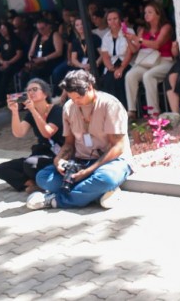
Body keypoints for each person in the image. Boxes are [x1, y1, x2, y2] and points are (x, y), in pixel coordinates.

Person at [26, 70, 133, 210]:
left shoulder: (110, 104)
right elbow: (69, 144)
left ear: (89, 87)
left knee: (107, 179)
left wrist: (88, 171)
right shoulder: (69, 107)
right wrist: (58, 161)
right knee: (43, 177)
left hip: (110, 162)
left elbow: (117, 147)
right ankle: (97, 194)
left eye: (78, 98)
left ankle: (55, 200)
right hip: (81, 161)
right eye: (72, 98)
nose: (76, 102)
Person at [0, 79, 65, 193]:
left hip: (57, 154)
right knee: (0, 169)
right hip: (39, 154)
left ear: (45, 93)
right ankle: (32, 183)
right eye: (28, 91)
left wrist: (32, 110)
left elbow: (47, 132)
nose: (31, 93)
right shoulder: (31, 114)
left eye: (35, 89)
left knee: (30, 164)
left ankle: (39, 182)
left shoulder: (57, 110)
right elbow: (19, 133)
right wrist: (15, 112)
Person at [124, 2, 175, 118]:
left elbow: (157, 44)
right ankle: (132, 110)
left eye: (150, 12)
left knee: (148, 76)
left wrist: (139, 39)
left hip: (164, 60)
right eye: (145, 12)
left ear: (158, 14)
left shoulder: (166, 27)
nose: (146, 15)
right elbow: (134, 49)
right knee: (130, 75)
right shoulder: (143, 30)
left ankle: (154, 113)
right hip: (148, 62)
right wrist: (128, 39)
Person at [99, 9, 134, 108]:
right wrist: (110, 68)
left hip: (127, 63)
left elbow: (129, 52)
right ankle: (112, 110)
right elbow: (105, 56)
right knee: (107, 80)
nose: (112, 21)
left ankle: (124, 108)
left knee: (120, 79)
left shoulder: (128, 32)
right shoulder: (106, 37)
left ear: (120, 20)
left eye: (115, 18)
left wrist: (121, 68)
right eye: (109, 19)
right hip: (113, 64)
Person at [26, 18, 65, 84]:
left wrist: (44, 59)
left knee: (36, 72)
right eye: (38, 29)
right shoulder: (38, 36)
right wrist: (31, 59)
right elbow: (31, 51)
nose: (40, 31)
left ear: (48, 26)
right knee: (25, 73)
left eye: (42, 28)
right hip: (38, 61)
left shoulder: (55, 35)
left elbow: (59, 52)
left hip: (51, 61)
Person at [0, 21, 25, 97]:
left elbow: (19, 54)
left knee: (6, 73)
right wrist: (2, 62)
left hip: (15, 64)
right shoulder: (1, 41)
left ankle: (0, 97)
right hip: (4, 63)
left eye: (4, 29)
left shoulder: (15, 40)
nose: (2, 31)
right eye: (1, 29)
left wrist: (9, 62)